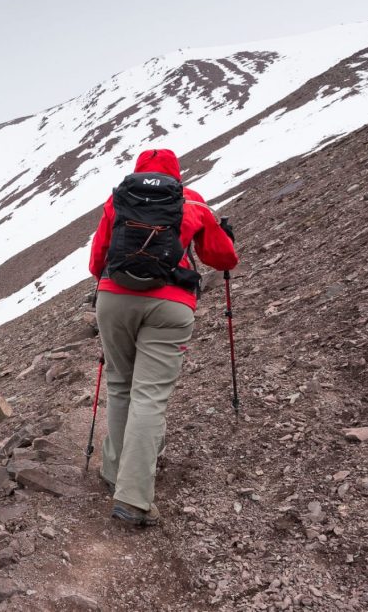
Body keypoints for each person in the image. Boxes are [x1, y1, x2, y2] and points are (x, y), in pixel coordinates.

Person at [88, 148, 237, 526]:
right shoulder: (192, 204)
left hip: (114, 300)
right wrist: (224, 234)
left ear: (137, 172)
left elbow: (96, 261)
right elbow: (223, 259)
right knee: (149, 396)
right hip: (170, 305)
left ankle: (113, 471)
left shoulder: (117, 201)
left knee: (120, 385)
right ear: (176, 175)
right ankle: (133, 498)